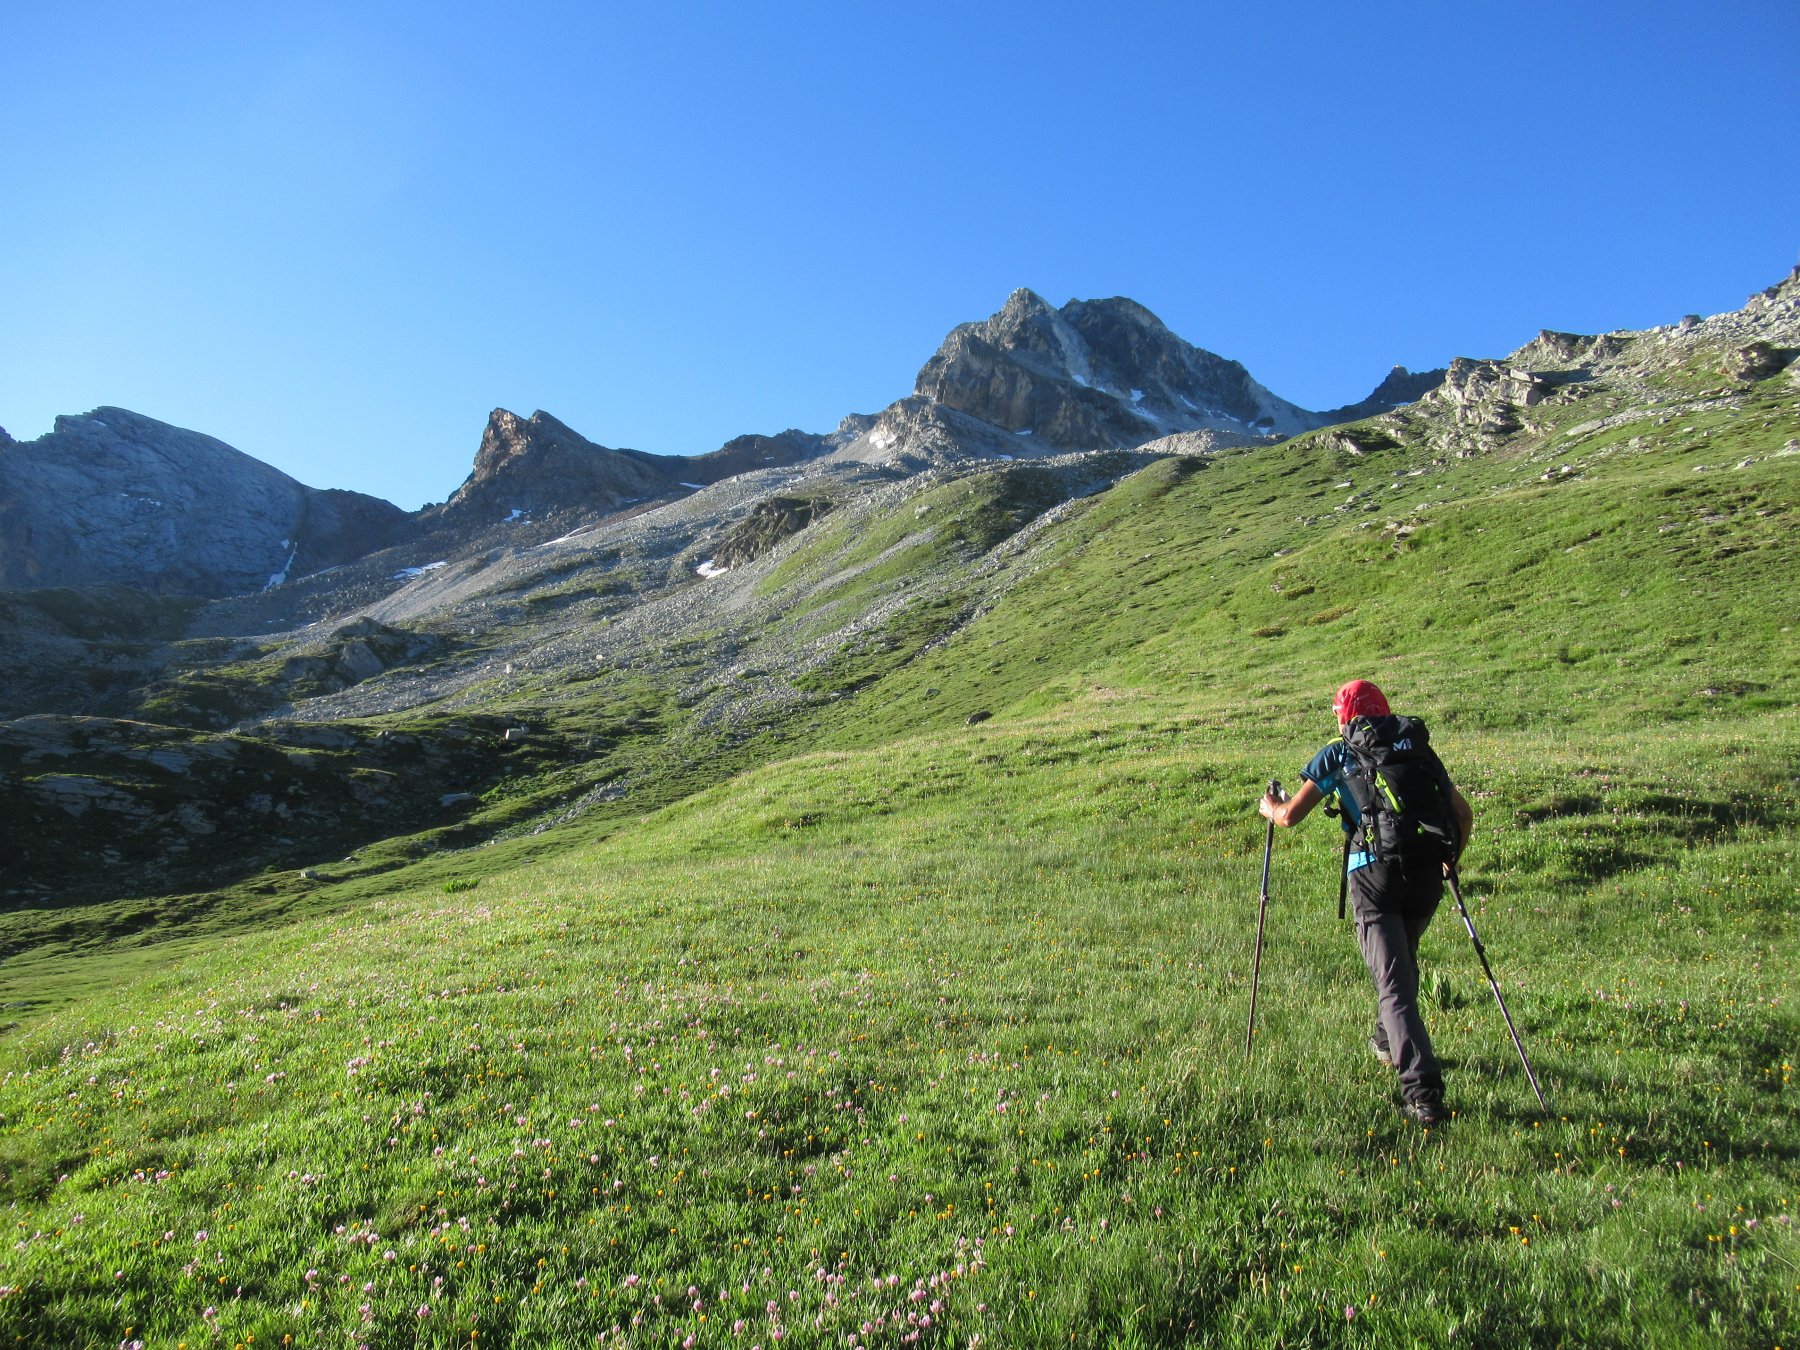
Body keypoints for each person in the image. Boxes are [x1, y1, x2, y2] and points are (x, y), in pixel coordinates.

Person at [1257, 679, 1474, 1125]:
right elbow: (1463, 814)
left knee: (1394, 984)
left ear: (1344, 715)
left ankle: (1423, 1093)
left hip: (1373, 877)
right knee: (1401, 964)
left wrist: (1270, 809)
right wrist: (1451, 860)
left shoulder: (1339, 751)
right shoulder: (1416, 747)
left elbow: (1290, 816)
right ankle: (1384, 1040)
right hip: (1427, 873)